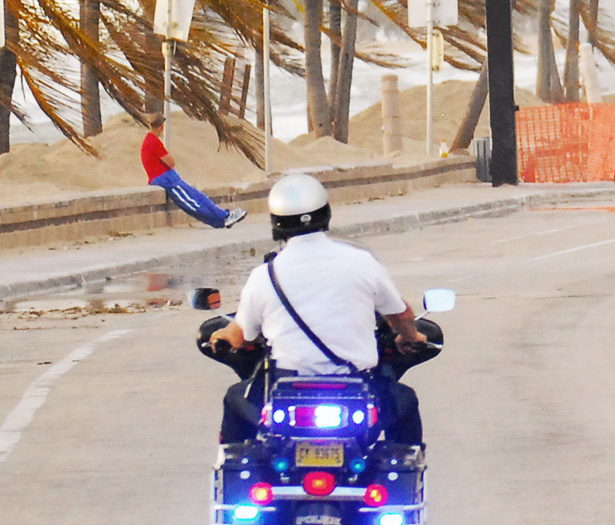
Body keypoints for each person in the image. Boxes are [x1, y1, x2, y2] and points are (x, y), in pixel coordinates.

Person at [209, 174, 424, 447]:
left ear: (276, 223)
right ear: (326, 214)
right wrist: (410, 337)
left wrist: (221, 336)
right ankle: (401, 468)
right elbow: (400, 315)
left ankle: (235, 468)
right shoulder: (362, 263)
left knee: (235, 398)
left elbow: (240, 335)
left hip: (287, 390)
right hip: (358, 386)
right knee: (405, 402)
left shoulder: (265, 275)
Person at [143, 116, 247, 229]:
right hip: (165, 178)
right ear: (161, 127)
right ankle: (222, 219)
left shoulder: (149, 140)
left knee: (199, 197)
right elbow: (171, 162)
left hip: (168, 177)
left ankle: (224, 216)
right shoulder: (154, 142)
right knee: (192, 203)